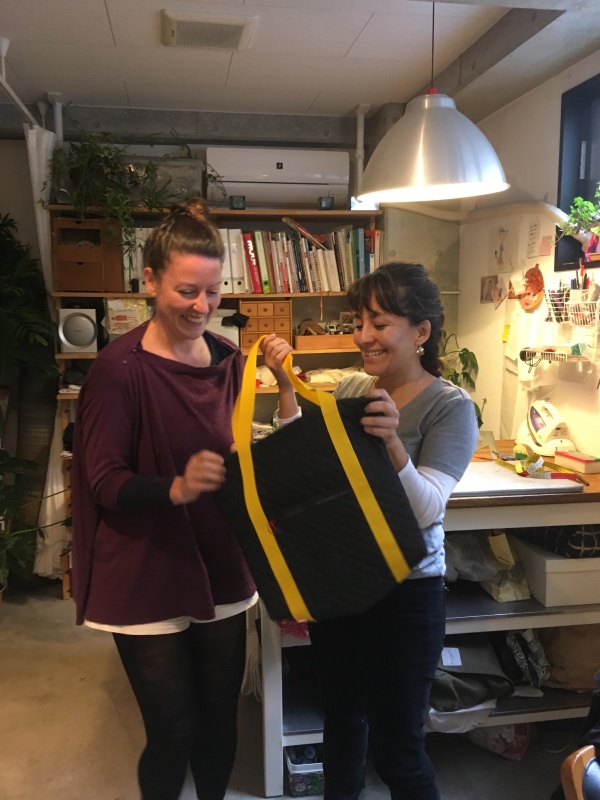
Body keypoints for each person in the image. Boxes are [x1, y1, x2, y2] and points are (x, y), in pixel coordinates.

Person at [260, 262, 479, 800]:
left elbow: (427, 509)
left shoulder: (450, 407)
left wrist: (395, 446)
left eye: (379, 323)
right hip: (345, 580)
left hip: (407, 592)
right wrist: (285, 385)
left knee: (399, 750)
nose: (363, 336)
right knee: (342, 723)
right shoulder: (355, 387)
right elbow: (311, 462)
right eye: (359, 322)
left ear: (421, 331)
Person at [70, 198, 257, 800]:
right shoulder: (118, 370)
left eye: (213, 291)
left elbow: (245, 450)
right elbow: (103, 480)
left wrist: (281, 388)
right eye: (187, 291)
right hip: (146, 567)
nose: (202, 306)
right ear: (149, 282)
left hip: (220, 560)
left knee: (220, 722)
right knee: (174, 731)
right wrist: (175, 487)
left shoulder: (229, 360)